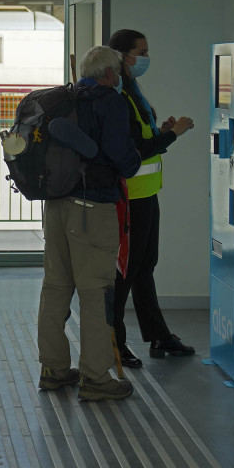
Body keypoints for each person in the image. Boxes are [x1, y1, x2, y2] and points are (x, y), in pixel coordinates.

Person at [37, 46, 141, 401]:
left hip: (55, 207)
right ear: (110, 74)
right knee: (96, 291)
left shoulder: (63, 99)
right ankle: (96, 377)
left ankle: (53, 368)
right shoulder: (110, 101)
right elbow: (124, 160)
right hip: (91, 209)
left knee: (55, 286)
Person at [107, 28, 196, 365]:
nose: (145, 58)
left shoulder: (132, 92)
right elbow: (136, 150)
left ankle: (158, 335)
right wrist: (172, 135)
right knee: (125, 271)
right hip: (130, 199)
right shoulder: (119, 96)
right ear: (121, 55)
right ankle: (115, 342)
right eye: (140, 52)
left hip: (146, 195)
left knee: (145, 267)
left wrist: (161, 132)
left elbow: (144, 141)